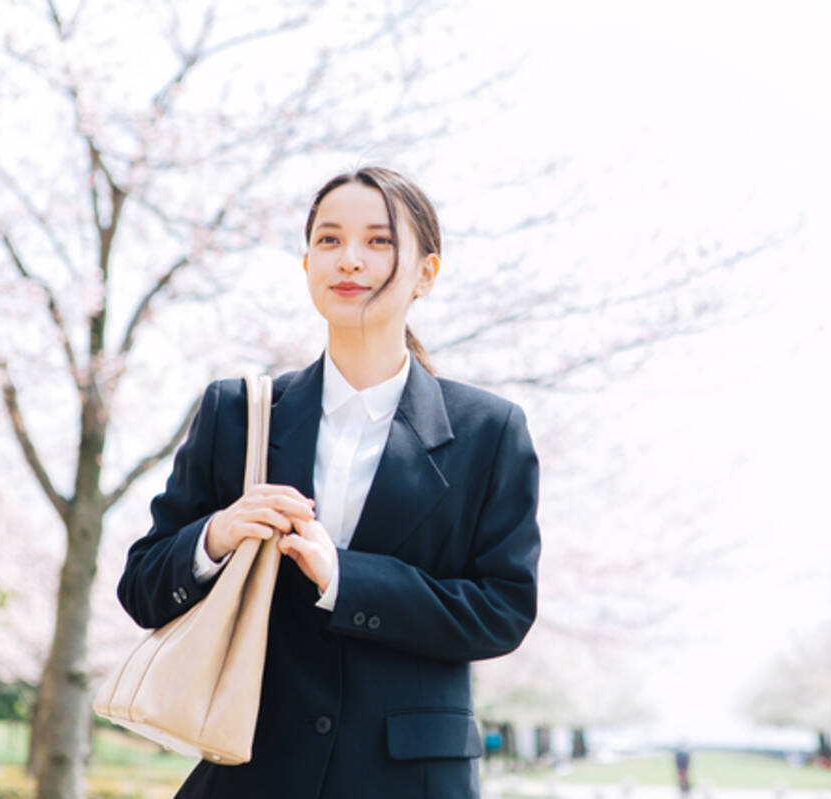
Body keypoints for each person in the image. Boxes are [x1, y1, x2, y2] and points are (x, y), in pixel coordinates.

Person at [116, 166, 541, 798]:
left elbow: (502, 611)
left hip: (409, 780)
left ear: (426, 272)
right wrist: (214, 536)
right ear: (307, 262)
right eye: (328, 239)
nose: (349, 260)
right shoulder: (239, 413)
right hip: (252, 770)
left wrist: (344, 578)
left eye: (379, 241)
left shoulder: (489, 430)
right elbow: (143, 588)